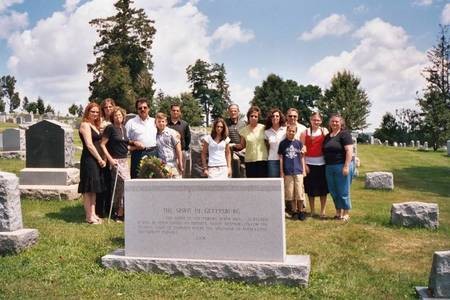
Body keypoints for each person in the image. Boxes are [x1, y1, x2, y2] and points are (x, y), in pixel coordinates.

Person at [100, 107, 132, 222]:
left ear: (123, 116)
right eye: (115, 115)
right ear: (112, 117)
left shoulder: (123, 128)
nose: (118, 117)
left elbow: (124, 145)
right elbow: (103, 145)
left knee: (124, 187)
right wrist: (110, 159)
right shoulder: (110, 128)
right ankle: (118, 213)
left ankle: (120, 212)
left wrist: (135, 146)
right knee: (121, 187)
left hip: (125, 161)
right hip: (115, 161)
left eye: (120, 115)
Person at [77, 102, 106, 224]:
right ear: (87, 112)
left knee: (93, 188)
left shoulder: (95, 125)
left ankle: (93, 214)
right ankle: (88, 216)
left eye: (97, 112)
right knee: (88, 189)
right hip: (89, 160)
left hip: (96, 160)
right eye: (92, 111)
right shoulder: (85, 125)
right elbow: (89, 144)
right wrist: (99, 158)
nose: (95, 114)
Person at [322, 114, 354, 222]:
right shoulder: (327, 136)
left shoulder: (344, 134)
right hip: (329, 167)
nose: (335, 123)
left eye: (337, 121)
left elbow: (349, 151)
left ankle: (346, 213)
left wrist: (346, 166)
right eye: (333, 121)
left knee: (343, 191)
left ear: (341, 123)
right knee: (333, 191)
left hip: (341, 165)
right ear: (330, 123)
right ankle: (338, 212)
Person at [301, 112, 329, 218]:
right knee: (310, 189)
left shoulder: (324, 131)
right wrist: (304, 165)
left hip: (322, 163)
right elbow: (302, 150)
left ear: (321, 121)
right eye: (314, 120)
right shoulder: (305, 132)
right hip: (309, 164)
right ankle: (312, 211)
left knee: (323, 189)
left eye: (318, 120)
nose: (316, 122)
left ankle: (323, 211)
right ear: (310, 120)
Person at [278, 124, 307, 220]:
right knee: (291, 192)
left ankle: (301, 211)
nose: (291, 133)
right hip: (288, 171)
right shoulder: (282, 144)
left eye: (293, 131)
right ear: (287, 131)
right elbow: (281, 158)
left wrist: (303, 170)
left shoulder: (299, 143)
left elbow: (302, 157)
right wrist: (281, 172)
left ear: (295, 132)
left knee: (299, 192)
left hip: (298, 170)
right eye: (289, 131)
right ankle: (294, 211)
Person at [125, 98, 158, 178]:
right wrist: (134, 144)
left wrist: (175, 133)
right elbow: (124, 139)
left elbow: (164, 129)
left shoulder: (154, 121)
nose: (142, 109)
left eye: (145, 107)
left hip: (153, 153)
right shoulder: (131, 123)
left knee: (153, 178)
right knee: (137, 177)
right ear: (137, 110)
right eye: (140, 108)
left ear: (149, 108)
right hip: (138, 153)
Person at [96, 98, 115, 218]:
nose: (108, 109)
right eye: (106, 107)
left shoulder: (117, 120)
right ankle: (99, 209)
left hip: (113, 154)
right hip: (102, 153)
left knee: (111, 183)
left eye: (110, 107)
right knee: (101, 181)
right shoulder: (100, 121)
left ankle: (110, 208)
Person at [236, 106, 268, 177]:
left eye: (255, 116)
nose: (253, 118)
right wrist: (231, 145)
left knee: (262, 183)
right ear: (248, 117)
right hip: (249, 160)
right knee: (252, 183)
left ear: (258, 118)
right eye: (252, 116)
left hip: (262, 160)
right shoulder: (243, 131)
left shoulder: (264, 128)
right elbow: (242, 145)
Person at [155, 112, 183, 178]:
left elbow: (178, 149)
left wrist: (180, 163)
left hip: (173, 164)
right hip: (162, 166)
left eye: (163, 121)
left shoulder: (172, 133)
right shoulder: (154, 134)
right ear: (156, 123)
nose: (161, 123)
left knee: (177, 185)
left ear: (166, 122)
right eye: (159, 121)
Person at [168, 103, 191, 177]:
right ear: (170, 111)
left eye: (177, 111)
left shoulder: (184, 124)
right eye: (173, 110)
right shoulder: (165, 124)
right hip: (169, 153)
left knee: (180, 173)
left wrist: (184, 149)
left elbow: (188, 138)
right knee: (168, 173)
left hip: (181, 152)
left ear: (180, 112)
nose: (175, 112)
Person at [264, 108, 286, 177]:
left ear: (280, 118)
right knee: (274, 182)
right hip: (272, 160)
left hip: (285, 160)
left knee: (285, 182)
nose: (275, 117)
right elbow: (266, 147)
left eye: (277, 116)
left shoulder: (285, 130)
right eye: (273, 116)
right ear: (270, 118)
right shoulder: (266, 132)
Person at [225, 103, 246, 178]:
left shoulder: (243, 124)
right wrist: (232, 145)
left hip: (243, 150)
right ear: (229, 112)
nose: (233, 113)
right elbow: (225, 137)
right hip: (231, 150)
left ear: (238, 112)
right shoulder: (225, 123)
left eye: (235, 111)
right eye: (231, 111)